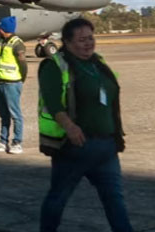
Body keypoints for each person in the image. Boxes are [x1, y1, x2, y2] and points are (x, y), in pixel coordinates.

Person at [38, 18, 132, 232]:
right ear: (68, 42)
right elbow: (52, 103)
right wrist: (70, 127)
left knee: (115, 200)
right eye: (81, 40)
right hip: (75, 147)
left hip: (106, 147)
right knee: (58, 198)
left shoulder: (98, 63)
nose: (88, 43)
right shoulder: (55, 65)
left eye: (91, 38)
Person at [0, 15, 27, 154]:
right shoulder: (2, 42)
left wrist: (21, 79)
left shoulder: (17, 44)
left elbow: (23, 64)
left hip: (12, 83)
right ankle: (2, 142)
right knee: (3, 114)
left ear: (5, 28)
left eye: (1, 27)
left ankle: (17, 143)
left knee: (15, 114)